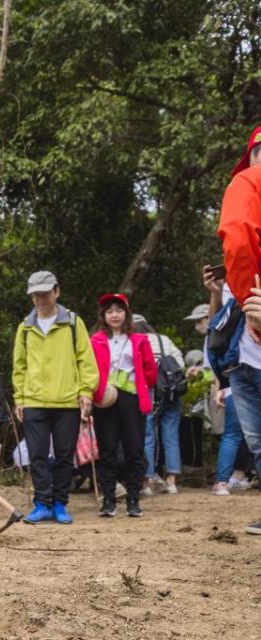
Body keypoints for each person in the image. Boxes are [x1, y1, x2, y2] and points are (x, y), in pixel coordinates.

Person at [12, 271, 98, 525]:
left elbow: (86, 359)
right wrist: (20, 397)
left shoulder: (72, 323)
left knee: (64, 454)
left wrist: (85, 392)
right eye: (35, 295)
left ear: (56, 292)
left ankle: (60, 503)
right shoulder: (25, 327)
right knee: (36, 454)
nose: (40, 300)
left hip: (67, 400)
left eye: (44, 294)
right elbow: (19, 366)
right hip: (34, 400)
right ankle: (41, 503)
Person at [217, 125, 261, 535]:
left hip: (254, 344)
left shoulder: (246, 182)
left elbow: (237, 241)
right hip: (247, 351)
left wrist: (250, 303)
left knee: (258, 439)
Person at [90, 295, 157, 518]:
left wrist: (138, 384)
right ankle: (108, 500)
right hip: (106, 398)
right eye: (110, 311)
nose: (115, 315)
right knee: (107, 449)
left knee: (134, 449)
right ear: (104, 316)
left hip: (131, 397)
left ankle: (133, 499)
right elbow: (90, 369)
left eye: (119, 310)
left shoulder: (139, 340)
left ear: (126, 314)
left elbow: (150, 371)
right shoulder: (96, 340)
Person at [132, 314, 185, 495]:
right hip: (171, 391)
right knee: (171, 435)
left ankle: (148, 480)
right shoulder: (164, 339)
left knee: (147, 434)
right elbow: (180, 362)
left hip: (150, 390)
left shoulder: (134, 340)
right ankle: (172, 481)